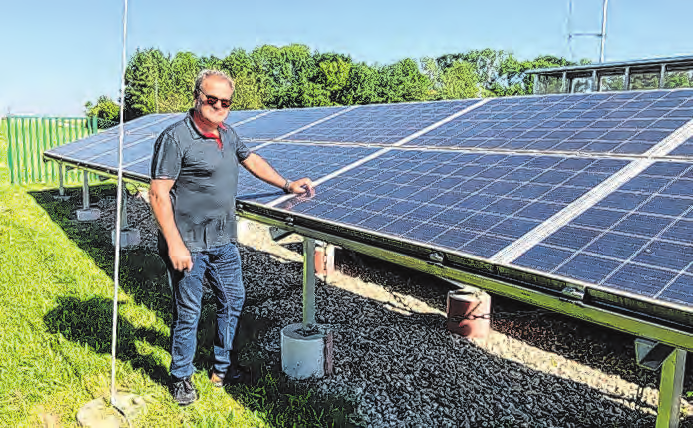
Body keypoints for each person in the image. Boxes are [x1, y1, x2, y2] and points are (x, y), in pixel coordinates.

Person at [149, 69, 314, 406]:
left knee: (233, 302)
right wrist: (175, 243)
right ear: (197, 97)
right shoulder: (176, 137)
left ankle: (223, 369)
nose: (218, 106)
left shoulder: (228, 134)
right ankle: (181, 376)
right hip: (189, 243)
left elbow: (250, 158)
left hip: (223, 241)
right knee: (188, 313)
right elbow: (158, 194)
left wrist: (286, 185)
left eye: (225, 102)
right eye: (212, 99)